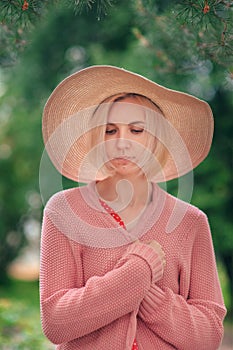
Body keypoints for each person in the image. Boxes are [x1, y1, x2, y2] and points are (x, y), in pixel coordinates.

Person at [40, 65, 226, 350]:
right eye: (110, 130)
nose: (122, 141)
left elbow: (209, 336)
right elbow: (55, 322)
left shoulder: (191, 222)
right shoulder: (63, 211)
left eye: (137, 130)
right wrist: (137, 272)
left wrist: (152, 299)